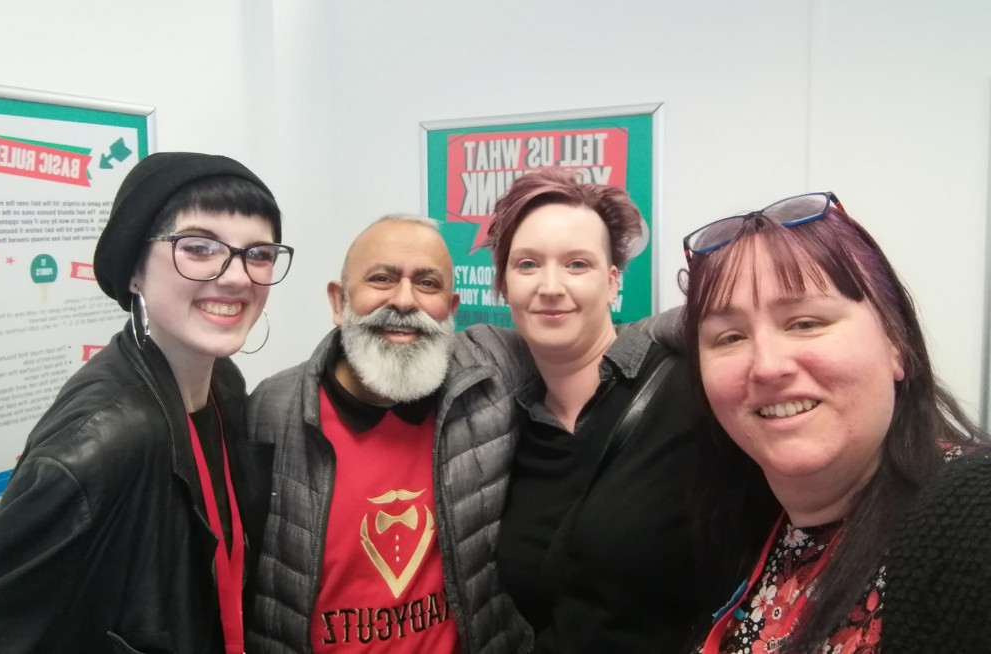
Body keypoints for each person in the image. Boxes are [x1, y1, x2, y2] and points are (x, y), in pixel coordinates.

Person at [0, 152, 292, 654]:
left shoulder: (225, 388)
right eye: (198, 247)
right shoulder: (103, 441)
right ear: (134, 270)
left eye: (258, 254)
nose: (237, 277)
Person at [681, 191, 991, 653]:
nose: (767, 366)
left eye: (805, 323)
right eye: (730, 336)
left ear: (896, 346)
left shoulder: (974, 518)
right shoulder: (733, 526)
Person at [245, 214, 534, 654]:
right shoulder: (271, 409)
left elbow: (597, 345)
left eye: (427, 284)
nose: (404, 301)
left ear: (452, 310)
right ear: (339, 301)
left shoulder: (493, 375)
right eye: (381, 278)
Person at [487, 169, 748, 653]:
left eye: (577, 264)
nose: (549, 286)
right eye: (527, 264)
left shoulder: (690, 388)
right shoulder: (507, 426)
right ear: (503, 285)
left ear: (611, 283)